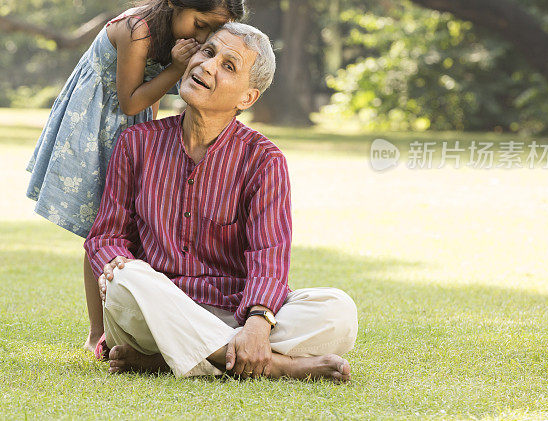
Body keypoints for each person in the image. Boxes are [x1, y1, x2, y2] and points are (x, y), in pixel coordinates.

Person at [84, 23, 359, 380]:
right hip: (154, 308)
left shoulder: (264, 160)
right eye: (208, 52)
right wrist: (113, 264)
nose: (208, 66)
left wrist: (258, 324)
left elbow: (269, 255)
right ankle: (276, 366)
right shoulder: (136, 143)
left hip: (234, 312)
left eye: (229, 66)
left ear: (247, 98)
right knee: (126, 279)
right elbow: (105, 237)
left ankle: (170, 360)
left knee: (337, 310)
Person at [26, 0, 248, 353]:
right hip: (98, 124)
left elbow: (148, 106)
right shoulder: (138, 29)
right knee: (103, 227)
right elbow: (129, 102)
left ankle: (136, 323)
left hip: (130, 127)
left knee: (131, 221)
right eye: (201, 26)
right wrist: (177, 69)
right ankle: (98, 332)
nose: (203, 38)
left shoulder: (169, 35)